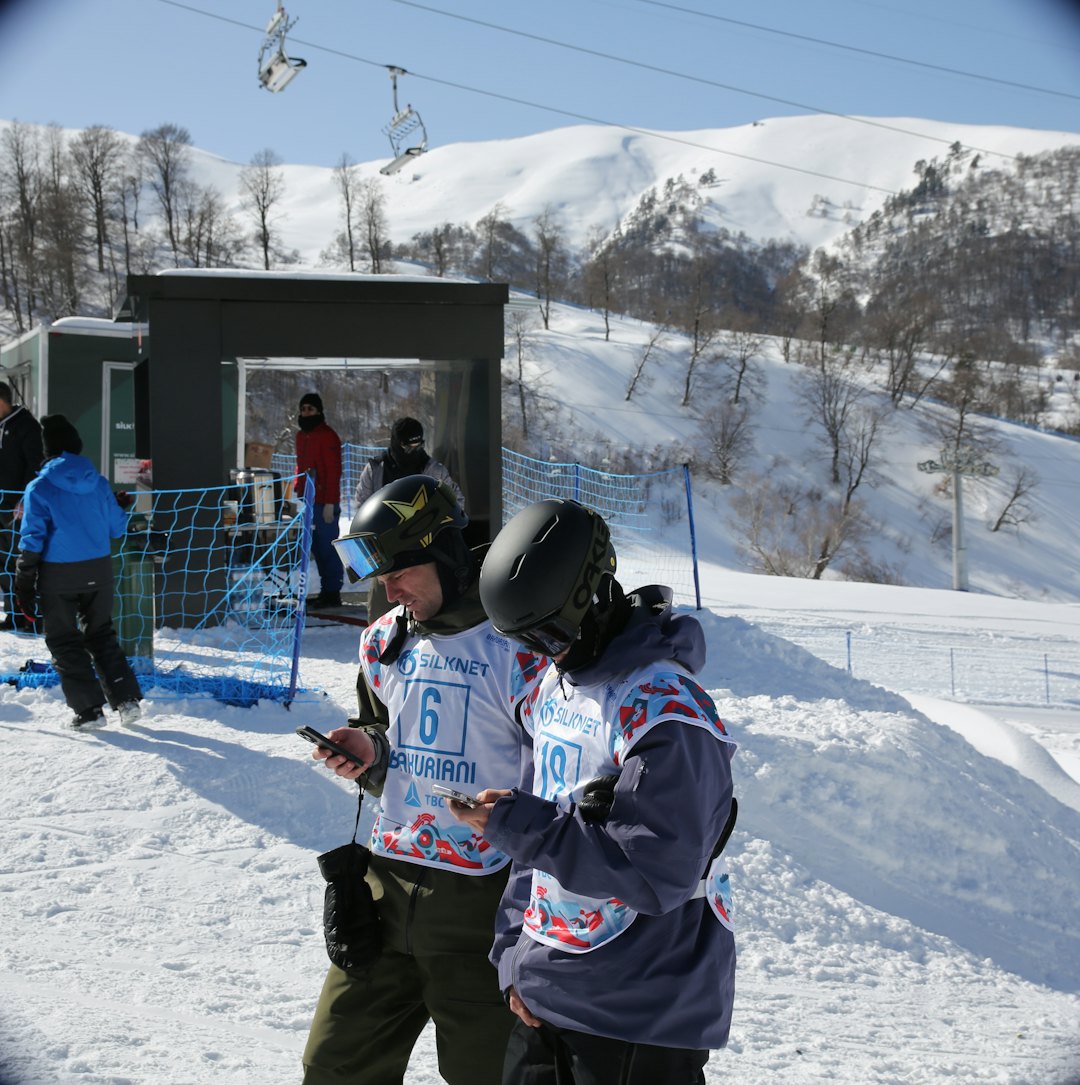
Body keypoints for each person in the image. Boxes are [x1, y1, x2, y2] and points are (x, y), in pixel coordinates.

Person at [450, 498, 738, 1085]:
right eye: (528, 641)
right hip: (549, 992)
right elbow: (537, 852)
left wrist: (517, 824)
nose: (548, 652)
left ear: (597, 592)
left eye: (553, 631)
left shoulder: (667, 716)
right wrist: (514, 963)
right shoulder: (558, 691)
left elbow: (655, 873)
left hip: (635, 1014)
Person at [301, 474, 548, 1085]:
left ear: (442, 553)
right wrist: (368, 751)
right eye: (380, 577)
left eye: (400, 572)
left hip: (481, 905)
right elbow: (386, 734)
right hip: (385, 892)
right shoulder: (384, 641)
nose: (388, 590)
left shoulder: (520, 649)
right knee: (333, 1068)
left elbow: (559, 773)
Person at [14, 415, 143, 730]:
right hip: (99, 570)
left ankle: (89, 711)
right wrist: (119, 507)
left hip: (59, 574)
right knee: (101, 634)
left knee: (63, 640)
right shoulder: (98, 482)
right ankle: (127, 701)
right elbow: (116, 527)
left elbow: (32, 539)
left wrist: (23, 581)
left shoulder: (39, 487)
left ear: (48, 449)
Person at [353, 417, 464, 624]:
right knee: (381, 609)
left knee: (426, 611)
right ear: (396, 443)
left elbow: (455, 502)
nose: (413, 451)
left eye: (418, 445)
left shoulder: (433, 469)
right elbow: (361, 506)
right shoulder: (377, 468)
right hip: (384, 554)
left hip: (421, 555)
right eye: (407, 445)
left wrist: (430, 529)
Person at [0, 381, 43, 631]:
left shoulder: (26, 426)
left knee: (20, 563)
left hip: (18, 510)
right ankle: (14, 614)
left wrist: (25, 498)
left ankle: (30, 617)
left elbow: (35, 464)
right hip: (2, 506)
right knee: (3, 564)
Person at [295, 392, 344, 610]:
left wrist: (330, 503)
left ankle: (332, 591)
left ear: (319, 411)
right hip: (306, 501)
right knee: (313, 546)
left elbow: (333, 471)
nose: (306, 412)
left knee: (327, 547)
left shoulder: (327, 436)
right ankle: (326, 590)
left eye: (311, 409)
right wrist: (297, 491)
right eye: (304, 409)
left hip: (323, 502)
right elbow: (301, 467)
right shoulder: (301, 436)